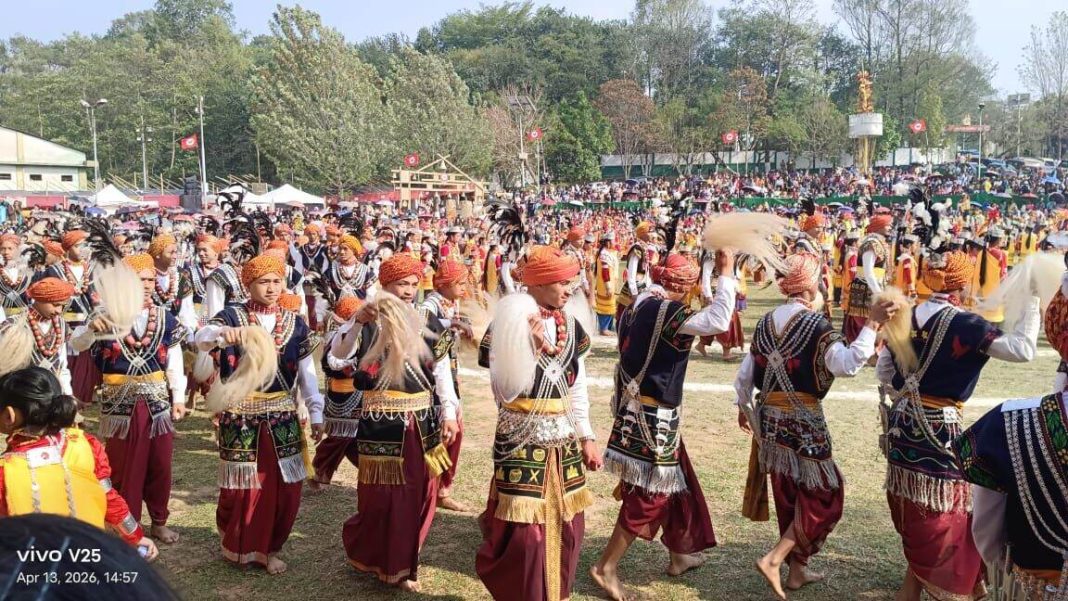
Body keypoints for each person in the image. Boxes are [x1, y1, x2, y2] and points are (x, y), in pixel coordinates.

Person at [876, 250, 1040, 601]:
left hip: (903, 428)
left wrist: (908, 396)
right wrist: (1033, 300)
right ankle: (939, 588)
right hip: (940, 431)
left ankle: (910, 590)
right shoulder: (966, 324)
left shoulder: (906, 315)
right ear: (964, 283)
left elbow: (885, 372)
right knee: (945, 516)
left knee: (916, 511)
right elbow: (1023, 349)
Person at [735, 252, 893, 600]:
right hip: (804, 422)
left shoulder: (764, 321)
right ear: (810, 287)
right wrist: (872, 324)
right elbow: (848, 364)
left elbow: (745, 374)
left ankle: (797, 570)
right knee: (825, 494)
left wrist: (743, 408)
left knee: (788, 494)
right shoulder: (817, 325)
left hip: (771, 424)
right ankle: (776, 559)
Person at [591, 251, 738, 601]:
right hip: (653, 416)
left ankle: (678, 554)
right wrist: (727, 272)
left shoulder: (639, 303)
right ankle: (605, 567)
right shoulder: (670, 312)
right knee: (651, 493)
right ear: (684, 288)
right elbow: (719, 320)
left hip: (633, 408)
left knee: (676, 479)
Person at [476, 245, 600, 601]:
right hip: (522, 439)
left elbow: (576, 386)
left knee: (570, 528)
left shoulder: (571, 325)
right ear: (540, 282)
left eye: (571, 282)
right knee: (526, 537)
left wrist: (587, 435)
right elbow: (504, 391)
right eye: (562, 282)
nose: (569, 289)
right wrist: (525, 349)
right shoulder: (508, 323)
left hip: (563, 441)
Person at [195, 253, 323, 574]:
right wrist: (222, 335)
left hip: (282, 413)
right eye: (263, 282)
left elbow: (307, 372)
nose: (271, 288)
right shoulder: (231, 315)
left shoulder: (295, 322)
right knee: (243, 487)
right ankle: (242, 542)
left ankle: (270, 548)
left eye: (276, 281)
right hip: (240, 413)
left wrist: (316, 411)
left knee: (285, 488)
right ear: (248, 284)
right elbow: (200, 340)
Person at [332, 253, 451, 592]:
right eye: (402, 284)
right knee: (383, 497)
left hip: (423, 421)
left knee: (420, 493)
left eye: (414, 284)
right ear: (385, 284)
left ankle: (403, 560)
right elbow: (338, 355)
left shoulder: (428, 321)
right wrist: (356, 320)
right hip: (381, 421)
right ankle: (379, 557)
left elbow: (441, 373)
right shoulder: (368, 318)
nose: (409, 290)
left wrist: (452, 412)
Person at [71, 253, 187, 546]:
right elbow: (76, 344)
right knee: (125, 467)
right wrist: (90, 329)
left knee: (160, 464)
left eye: (149, 279)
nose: (146, 285)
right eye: (139, 279)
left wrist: (179, 396)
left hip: (157, 402)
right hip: (120, 406)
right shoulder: (106, 315)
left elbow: (174, 359)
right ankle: (126, 525)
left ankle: (159, 522)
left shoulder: (163, 317)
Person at [0, 367, 156, 558]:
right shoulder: (85, 444)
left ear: (9, 416)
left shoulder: (5, 471)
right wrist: (135, 536)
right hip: (90, 561)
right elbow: (109, 496)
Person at [418, 258, 475, 512]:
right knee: (442, 435)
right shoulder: (429, 307)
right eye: (460, 283)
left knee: (455, 434)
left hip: (449, 374)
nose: (464, 288)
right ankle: (432, 488)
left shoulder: (451, 303)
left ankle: (442, 488)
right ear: (446, 284)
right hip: (432, 379)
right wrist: (451, 324)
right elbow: (425, 327)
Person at [309, 295, 364, 489]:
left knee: (354, 439)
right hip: (342, 396)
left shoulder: (361, 334)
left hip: (358, 395)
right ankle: (320, 469)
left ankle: (367, 472)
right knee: (341, 438)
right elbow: (331, 365)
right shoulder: (338, 336)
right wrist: (358, 365)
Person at [843, 213, 892, 343]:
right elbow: (868, 271)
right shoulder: (871, 244)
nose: (891, 227)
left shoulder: (878, 243)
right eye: (888, 225)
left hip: (872, 286)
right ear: (879, 226)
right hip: (866, 288)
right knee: (865, 322)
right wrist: (878, 292)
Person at [593, 233, 618, 335]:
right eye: (613, 241)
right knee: (606, 306)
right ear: (608, 243)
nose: (615, 243)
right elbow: (605, 272)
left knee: (610, 306)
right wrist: (608, 286)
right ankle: (603, 328)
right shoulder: (604, 255)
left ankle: (607, 327)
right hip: (606, 285)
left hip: (607, 284)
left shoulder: (606, 253)